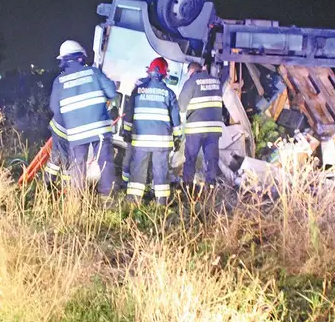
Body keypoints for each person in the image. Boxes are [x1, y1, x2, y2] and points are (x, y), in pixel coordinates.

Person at [49, 40, 117, 199]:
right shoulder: (94, 72)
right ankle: (108, 200)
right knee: (105, 163)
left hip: (76, 133)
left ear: (64, 60)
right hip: (100, 128)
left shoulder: (59, 82)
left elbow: (55, 108)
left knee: (78, 166)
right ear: (81, 57)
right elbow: (112, 93)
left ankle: (77, 201)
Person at [123, 57, 181, 205]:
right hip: (161, 142)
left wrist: (127, 132)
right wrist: (178, 138)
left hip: (141, 141)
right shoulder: (169, 93)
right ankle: (161, 204)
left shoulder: (137, 91)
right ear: (163, 73)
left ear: (149, 72)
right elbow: (175, 118)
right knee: (161, 172)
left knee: (138, 171)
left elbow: (129, 112)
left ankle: (133, 202)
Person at [178, 62, 224, 189]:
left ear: (191, 71)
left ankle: (187, 187)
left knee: (190, 158)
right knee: (212, 159)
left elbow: (181, 105)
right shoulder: (216, 82)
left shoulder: (192, 82)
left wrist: (182, 117)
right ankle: (211, 187)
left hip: (196, 129)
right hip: (214, 128)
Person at [43, 58, 72, 186]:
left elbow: (53, 106)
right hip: (68, 129)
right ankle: (67, 191)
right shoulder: (84, 81)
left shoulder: (60, 80)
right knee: (68, 160)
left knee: (55, 157)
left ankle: (47, 184)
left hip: (57, 126)